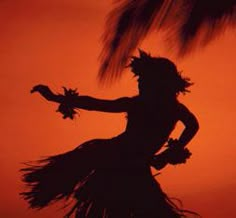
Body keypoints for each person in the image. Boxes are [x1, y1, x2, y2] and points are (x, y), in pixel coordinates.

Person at [21, 50, 199, 218]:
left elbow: (193, 126)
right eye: (139, 79)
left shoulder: (174, 109)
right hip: (116, 158)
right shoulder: (137, 104)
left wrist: (168, 154)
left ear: (160, 83)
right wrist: (56, 98)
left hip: (137, 167)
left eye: (144, 79)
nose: (139, 83)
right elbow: (97, 104)